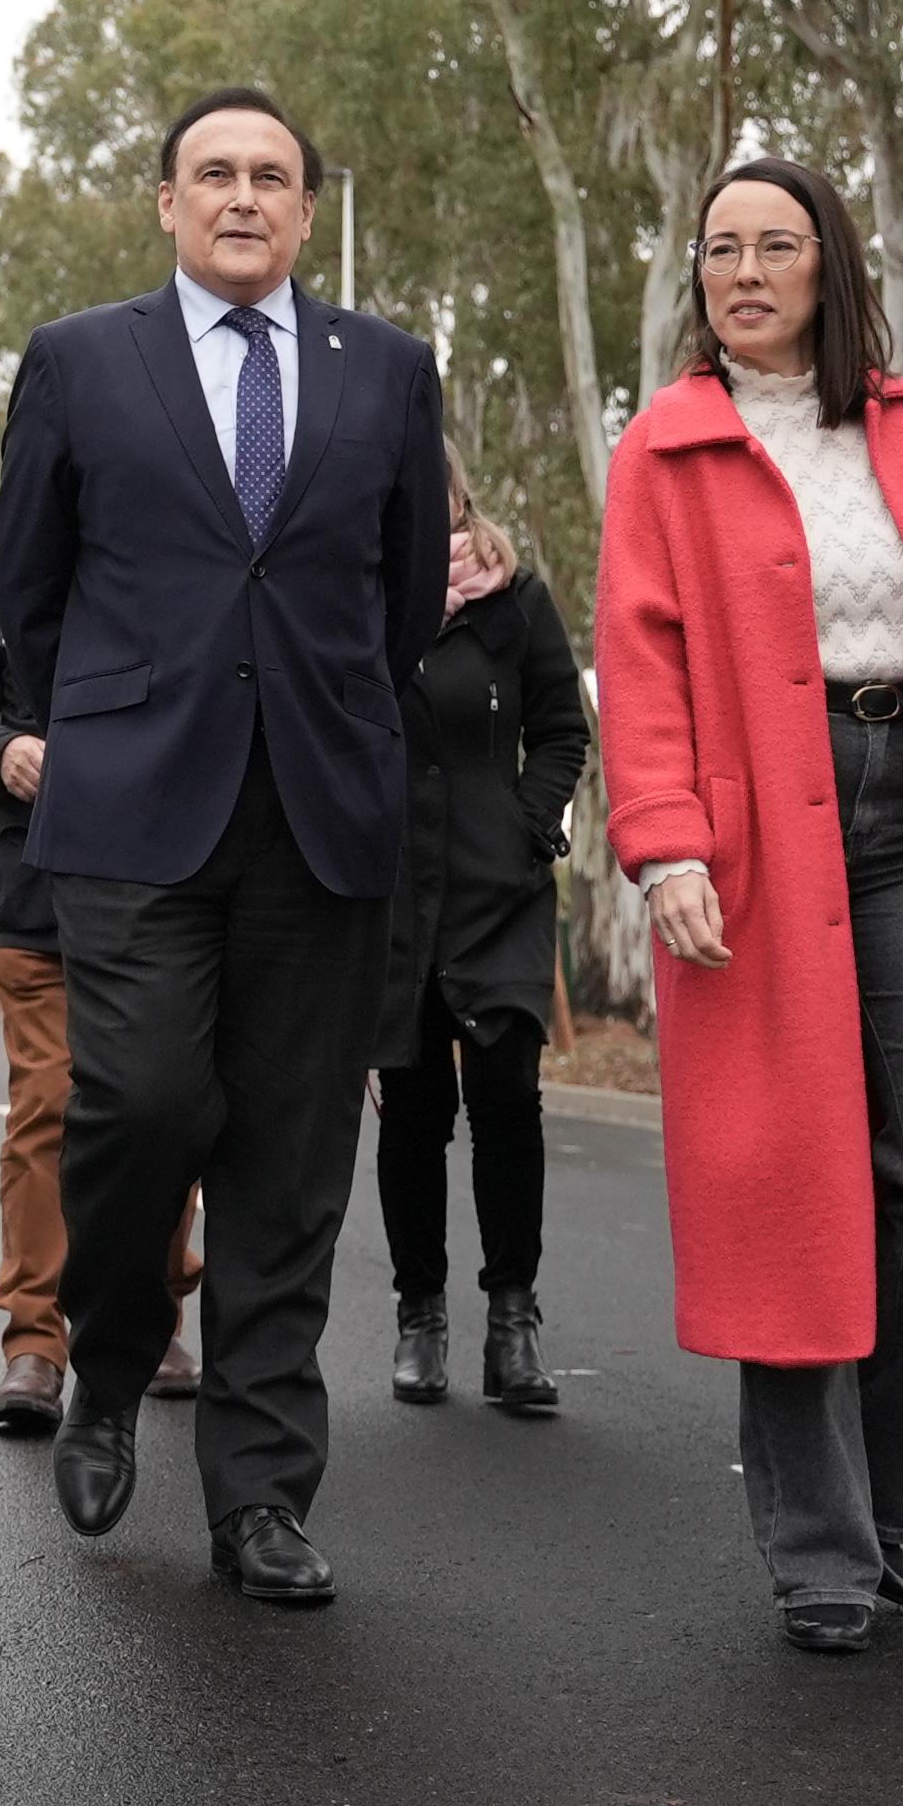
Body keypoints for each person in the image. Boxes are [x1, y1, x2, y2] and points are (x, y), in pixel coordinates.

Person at [596, 157, 903, 1654]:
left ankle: (882, 1504)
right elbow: (647, 662)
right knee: (795, 1188)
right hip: (758, 839)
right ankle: (820, 1544)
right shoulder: (666, 450)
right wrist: (665, 846)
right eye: (720, 249)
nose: (744, 272)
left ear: (829, 268)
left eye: (776, 247)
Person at [0, 87, 445, 1607]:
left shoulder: (387, 370)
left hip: (323, 813)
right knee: (142, 1101)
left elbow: (397, 605)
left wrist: (338, 726)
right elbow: (32, 593)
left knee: (294, 1162)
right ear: (167, 204)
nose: (244, 196)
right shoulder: (77, 361)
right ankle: (110, 1366)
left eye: (273, 177)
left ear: (307, 211)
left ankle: (259, 1495)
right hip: (133, 812)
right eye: (214, 174)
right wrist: (114, 728)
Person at [0, 560, 204, 1432]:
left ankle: (147, 1322)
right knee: (48, 1106)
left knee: (161, 1109)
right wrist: (2, 751)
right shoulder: (5, 580)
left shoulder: (182, 565)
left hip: (166, 890)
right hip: (39, 899)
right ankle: (35, 1346)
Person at [375, 453, 587, 1416]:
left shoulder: (516, 601)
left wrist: (531, 825)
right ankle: (420, 1318)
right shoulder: (360, 600)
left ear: (459, 496)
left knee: (507, 1101)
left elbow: (561, 731)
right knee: (414, 1116)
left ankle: (514, 1322)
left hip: (498, 893)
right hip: (396, 898)